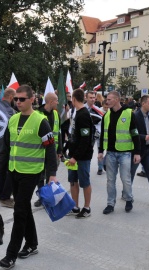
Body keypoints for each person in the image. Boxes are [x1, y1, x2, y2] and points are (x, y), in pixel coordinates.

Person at [0, 85, 57, 269]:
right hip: (14, 170)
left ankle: (11, 255)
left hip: (31, 173)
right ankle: (32, 243)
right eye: (16, 99)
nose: (18, 102)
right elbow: (6, 146)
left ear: (32, 99)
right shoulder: (13, 119)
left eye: (22, 99)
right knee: (24, 209)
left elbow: (50, 148)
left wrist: (52, 174)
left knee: (19, 212)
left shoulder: (41, 121)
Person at [98, 91, 141, 214]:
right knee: (110, 180)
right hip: (110, 153)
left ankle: (128, 199)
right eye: (107, 99)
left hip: (125, 153)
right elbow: (102, 135)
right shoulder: (106, 115)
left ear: (117, 100)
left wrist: (137, 152)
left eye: (110, 99)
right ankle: (110, 204)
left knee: (125, 178)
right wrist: (101, 151)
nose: (107, 101)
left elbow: (135, 133)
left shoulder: (128, 113)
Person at [66, 89, 94, 218]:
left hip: (81, 157)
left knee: (85, 182)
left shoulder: (83, 115)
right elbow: (73, 135)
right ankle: (75, 206)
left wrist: (75, 157)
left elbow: (85, 139)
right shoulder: (76, 113)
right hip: (73, 155)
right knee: (73, 181)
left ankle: (87, 208)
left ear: (74, 99)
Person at [34, 92, 62, 207]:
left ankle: (48, 198)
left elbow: (58, 133)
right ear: (50, 101)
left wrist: (59, 150)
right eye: (56, 100)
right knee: (40, 175)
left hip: (52, 150)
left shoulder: (56, 114)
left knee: (51, 174)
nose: (58, 103)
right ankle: (41, 197)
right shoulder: (37, 114)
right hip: (40, 150)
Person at [0, 87, 16, 208]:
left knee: (2, 170)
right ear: (11, 98)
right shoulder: (10, 111)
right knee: (10, 171)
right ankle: (5, 196)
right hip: (7, 145)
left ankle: (2, 195)